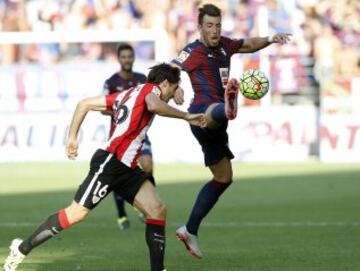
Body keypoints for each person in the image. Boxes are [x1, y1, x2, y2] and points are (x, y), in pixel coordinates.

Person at [3, 63, 206, 271]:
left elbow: (84, 104)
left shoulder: (126, 93)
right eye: (172, 90)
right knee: (75, 214)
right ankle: (21, 249)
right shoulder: (150, 90)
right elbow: (154, 104)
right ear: (164, 84)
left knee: (157, 209)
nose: (172, 96)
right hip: (111, 162)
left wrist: (72, 137)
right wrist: (185, 116)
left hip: (127, 166)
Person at [171, 3, 291, 259]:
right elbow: (171, 68)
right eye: (209, 26)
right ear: (200, 26)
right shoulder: (192, 51)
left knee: (224, 178)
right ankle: (227, 108)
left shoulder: (225, 45)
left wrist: (271, 38)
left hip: (215, 122)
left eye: (217, 26)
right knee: (217, 112)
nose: (214, 31)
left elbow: (248, 45)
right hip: (201, 110)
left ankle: (189, 230)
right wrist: (176, 86)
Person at [103, 43, 153, 230]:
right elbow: (104, 109)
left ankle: (144, 205)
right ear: (119, 59)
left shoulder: (142, 79)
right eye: (123, 57)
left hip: (140, 133)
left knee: (147, 166)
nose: (127, 60)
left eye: (129, 57)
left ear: (133, 58)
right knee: (119, 175)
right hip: (120, 136)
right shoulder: (111, 82)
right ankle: (122, 214)